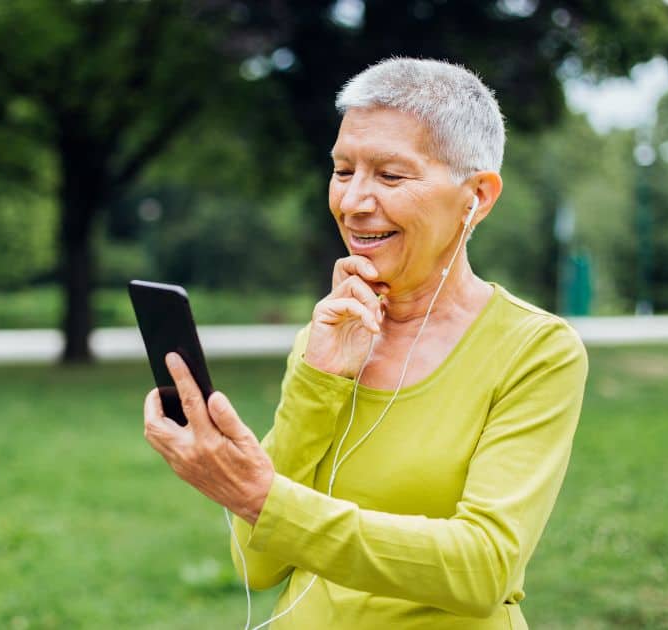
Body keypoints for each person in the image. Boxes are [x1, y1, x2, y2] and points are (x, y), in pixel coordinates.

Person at [143, 57, 588, 629]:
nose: (353, 202)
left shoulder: (537, 351)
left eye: (391, 175)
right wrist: (317, 380)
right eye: (343, 169)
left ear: (477, 196)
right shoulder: (323, 336)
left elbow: (483, 570)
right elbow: (258, 568)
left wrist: (259, 497)